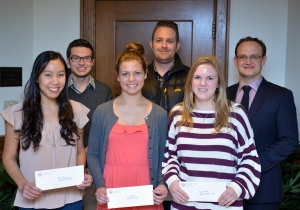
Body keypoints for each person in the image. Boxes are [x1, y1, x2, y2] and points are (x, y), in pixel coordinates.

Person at [162, 55, 261, 209]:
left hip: (225, 204)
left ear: (218, 83)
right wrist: (173, 182)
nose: (203, 83)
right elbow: (170, 156)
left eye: (209, 78)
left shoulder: (236, 114)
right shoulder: (177, 114)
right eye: (197, 77)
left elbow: (250, 158)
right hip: (185, 204)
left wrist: (236, 188)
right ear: (190, 82)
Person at [1, 51, 93, 209]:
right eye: (48, 75)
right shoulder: (17, 114)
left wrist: (80, 175)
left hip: (71, 198)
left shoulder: (76, 110)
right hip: (32, 198)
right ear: (37, 77)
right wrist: (22, 184)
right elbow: (8, 157)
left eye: (61, 74)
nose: (55, 81)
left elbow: (79, 152)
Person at [87, 42, 168, 210]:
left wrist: (161, 183)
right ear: (117, 76)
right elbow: (93, 154)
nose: (131, 79)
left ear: (146, 74)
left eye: (137, 73)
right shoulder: (102, 112)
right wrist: (100, 184)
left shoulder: (159, 114)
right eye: (125, 74)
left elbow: (163, 156)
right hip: (111, 189)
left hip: (147, 188)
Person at [227, 36, 299, 210]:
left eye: (254, 56)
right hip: (225, 187)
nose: (248, 61)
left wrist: (253, 162)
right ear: (236, 61)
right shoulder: (222, 95)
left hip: (263, 189)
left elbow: (289, 140)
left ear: (263, 60)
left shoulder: (281, 96)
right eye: (243, 57)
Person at [67, 38, 112, 150]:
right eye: (76, 58)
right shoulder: (58, 90)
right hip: (64, 160)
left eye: (86, 58)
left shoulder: (104, 91)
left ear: (92, 61)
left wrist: (86, 155)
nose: (81, 63)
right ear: (68, 62)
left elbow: (108, 129)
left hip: (95, 156)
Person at [142, 20, 190, 113]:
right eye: (159, 40)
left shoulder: (191, 77)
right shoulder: (139, 76)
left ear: (177, 46)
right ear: (151, 45)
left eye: (170, 41)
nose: (164, 45)